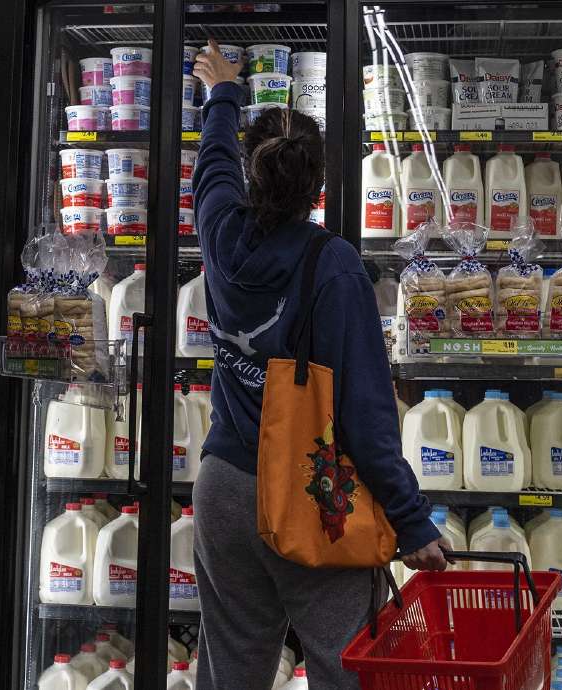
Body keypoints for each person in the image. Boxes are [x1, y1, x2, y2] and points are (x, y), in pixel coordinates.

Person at [190, 39, 447, 689]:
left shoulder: (218, 228)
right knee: (347, 663)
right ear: (320, 186)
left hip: (221, 488)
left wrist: (224, 92)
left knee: (231, 669)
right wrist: (411, 522)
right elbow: (364, 416)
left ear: (252, 174)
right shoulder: (332, 265)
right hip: (308, 492)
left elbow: (211, 162)